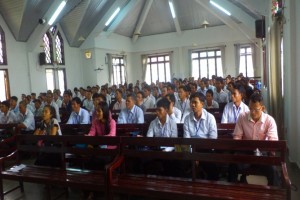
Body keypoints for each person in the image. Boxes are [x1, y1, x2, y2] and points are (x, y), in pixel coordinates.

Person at [229, 92, 278, 185]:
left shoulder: (269, 120)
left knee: (273, 171)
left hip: (262, 153)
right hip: (245, 151)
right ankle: (232, 192)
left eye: (256, 109)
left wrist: (269, 151)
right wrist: (238, 146)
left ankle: (274, 194)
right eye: (250, 108)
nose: (252, 112)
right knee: (233, 166)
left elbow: (273, 142)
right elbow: (237, 137)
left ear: (263, 108)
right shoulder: (242, 117)